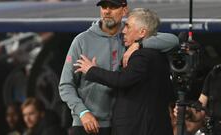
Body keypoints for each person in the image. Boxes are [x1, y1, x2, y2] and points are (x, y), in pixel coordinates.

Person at [59, 0, 179, 135]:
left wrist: (139, 44)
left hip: (119, 125)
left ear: (124, 10)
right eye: (104, 6)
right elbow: (65, 85)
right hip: (88, 123)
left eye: (113, 7)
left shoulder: (129, 35)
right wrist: (82, 111)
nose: (107, 11)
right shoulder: (82, 41)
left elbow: (172, 40)